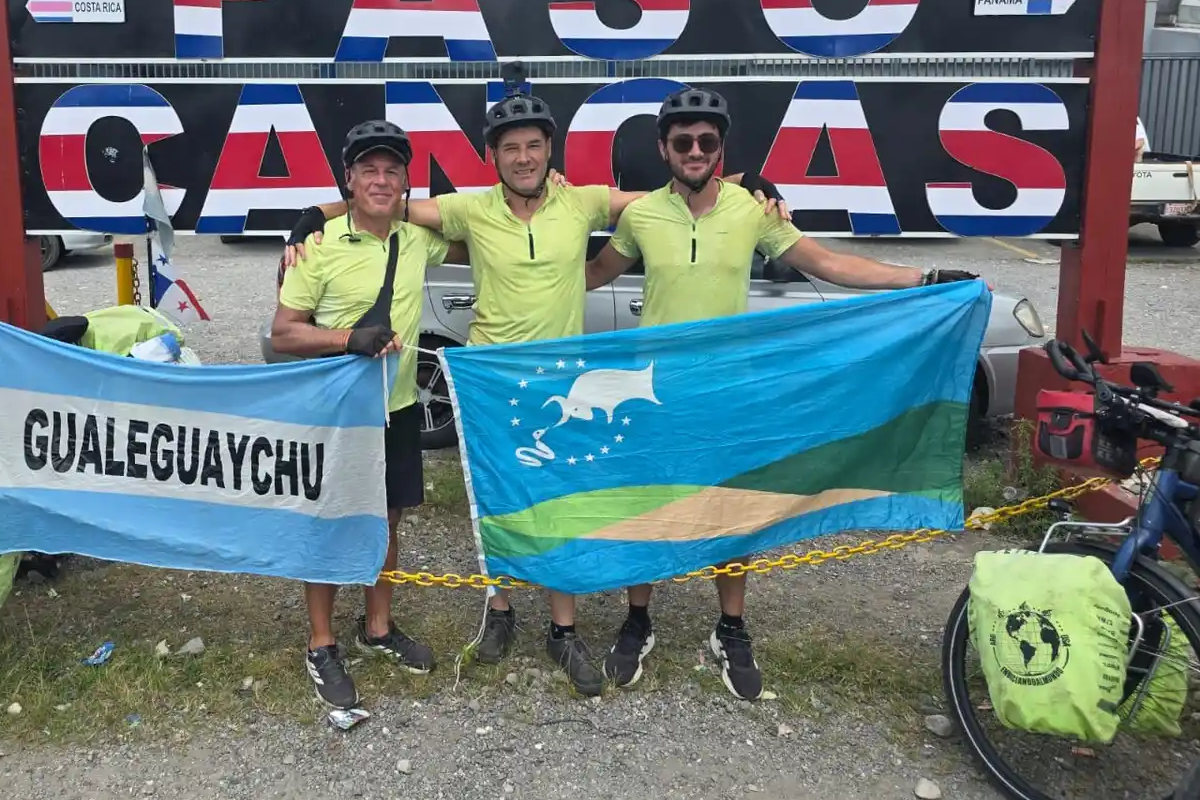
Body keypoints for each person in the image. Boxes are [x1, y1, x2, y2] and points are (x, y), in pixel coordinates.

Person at [282, 74, 786, 696]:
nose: (523, 157)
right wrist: (312, 217)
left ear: (550, 152)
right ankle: (496, 611)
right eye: (510, 148)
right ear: (493, 157)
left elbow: (668, 195)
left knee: (560, 502)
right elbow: (378, 203)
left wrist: (749, 185)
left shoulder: (581, 202)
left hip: (557, 378)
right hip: (492, 380)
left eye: (534, 146)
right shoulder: (468, 207)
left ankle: (562, 629)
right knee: (492, 500)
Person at [584, 86, 979, 700]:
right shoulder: (640, 217)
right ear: (663, 148)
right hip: (655, 391)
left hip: (732, 391)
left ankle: (730, 627)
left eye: (706, 140)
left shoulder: (752, 211)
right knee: (649, 503)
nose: (694, 150)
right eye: (682, 140)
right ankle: (638, 619)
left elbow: (825, 262)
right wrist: (506, 270)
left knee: (735, 507)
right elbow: (588, 274)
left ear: (721, 148)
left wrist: (923, 278)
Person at [270, 120, 457, 710]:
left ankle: (377, 627)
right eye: (368, 170)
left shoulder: (418, 238)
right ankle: (320, 643)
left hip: (395, 408)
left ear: (405, 181)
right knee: (328, 523)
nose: (381, 180)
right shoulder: (318, 247)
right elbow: (283, 334)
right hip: (334, 415)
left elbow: (487, 218)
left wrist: (313, 207)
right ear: (349, 179)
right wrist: (348, 337)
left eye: (392, 170)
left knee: (388, 520)